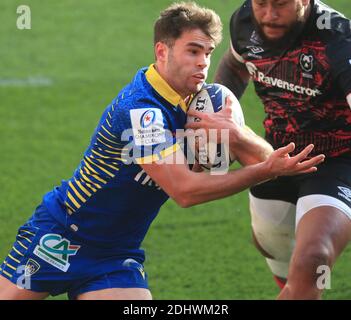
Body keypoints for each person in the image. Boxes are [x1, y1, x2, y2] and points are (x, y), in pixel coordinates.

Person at [0, 2, 324, 300]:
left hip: (115, 255)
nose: (203, 64)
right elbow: (185, 191)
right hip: (59, 236)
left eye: (208, 53)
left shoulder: (203, 101)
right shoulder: (142, 110)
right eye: (193, 51)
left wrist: (238, 136)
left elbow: (268, 161)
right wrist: (266, 170)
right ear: (162, 51)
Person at [187, 0, 351, 299]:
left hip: (335, 163)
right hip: (271, 156)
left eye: (280, 4)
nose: (269, 15)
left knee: (313, 259)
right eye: (261, 3)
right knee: (276, 250)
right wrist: (218, 115)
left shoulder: (338, 39)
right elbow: (235, 65)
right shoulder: (246, 21)